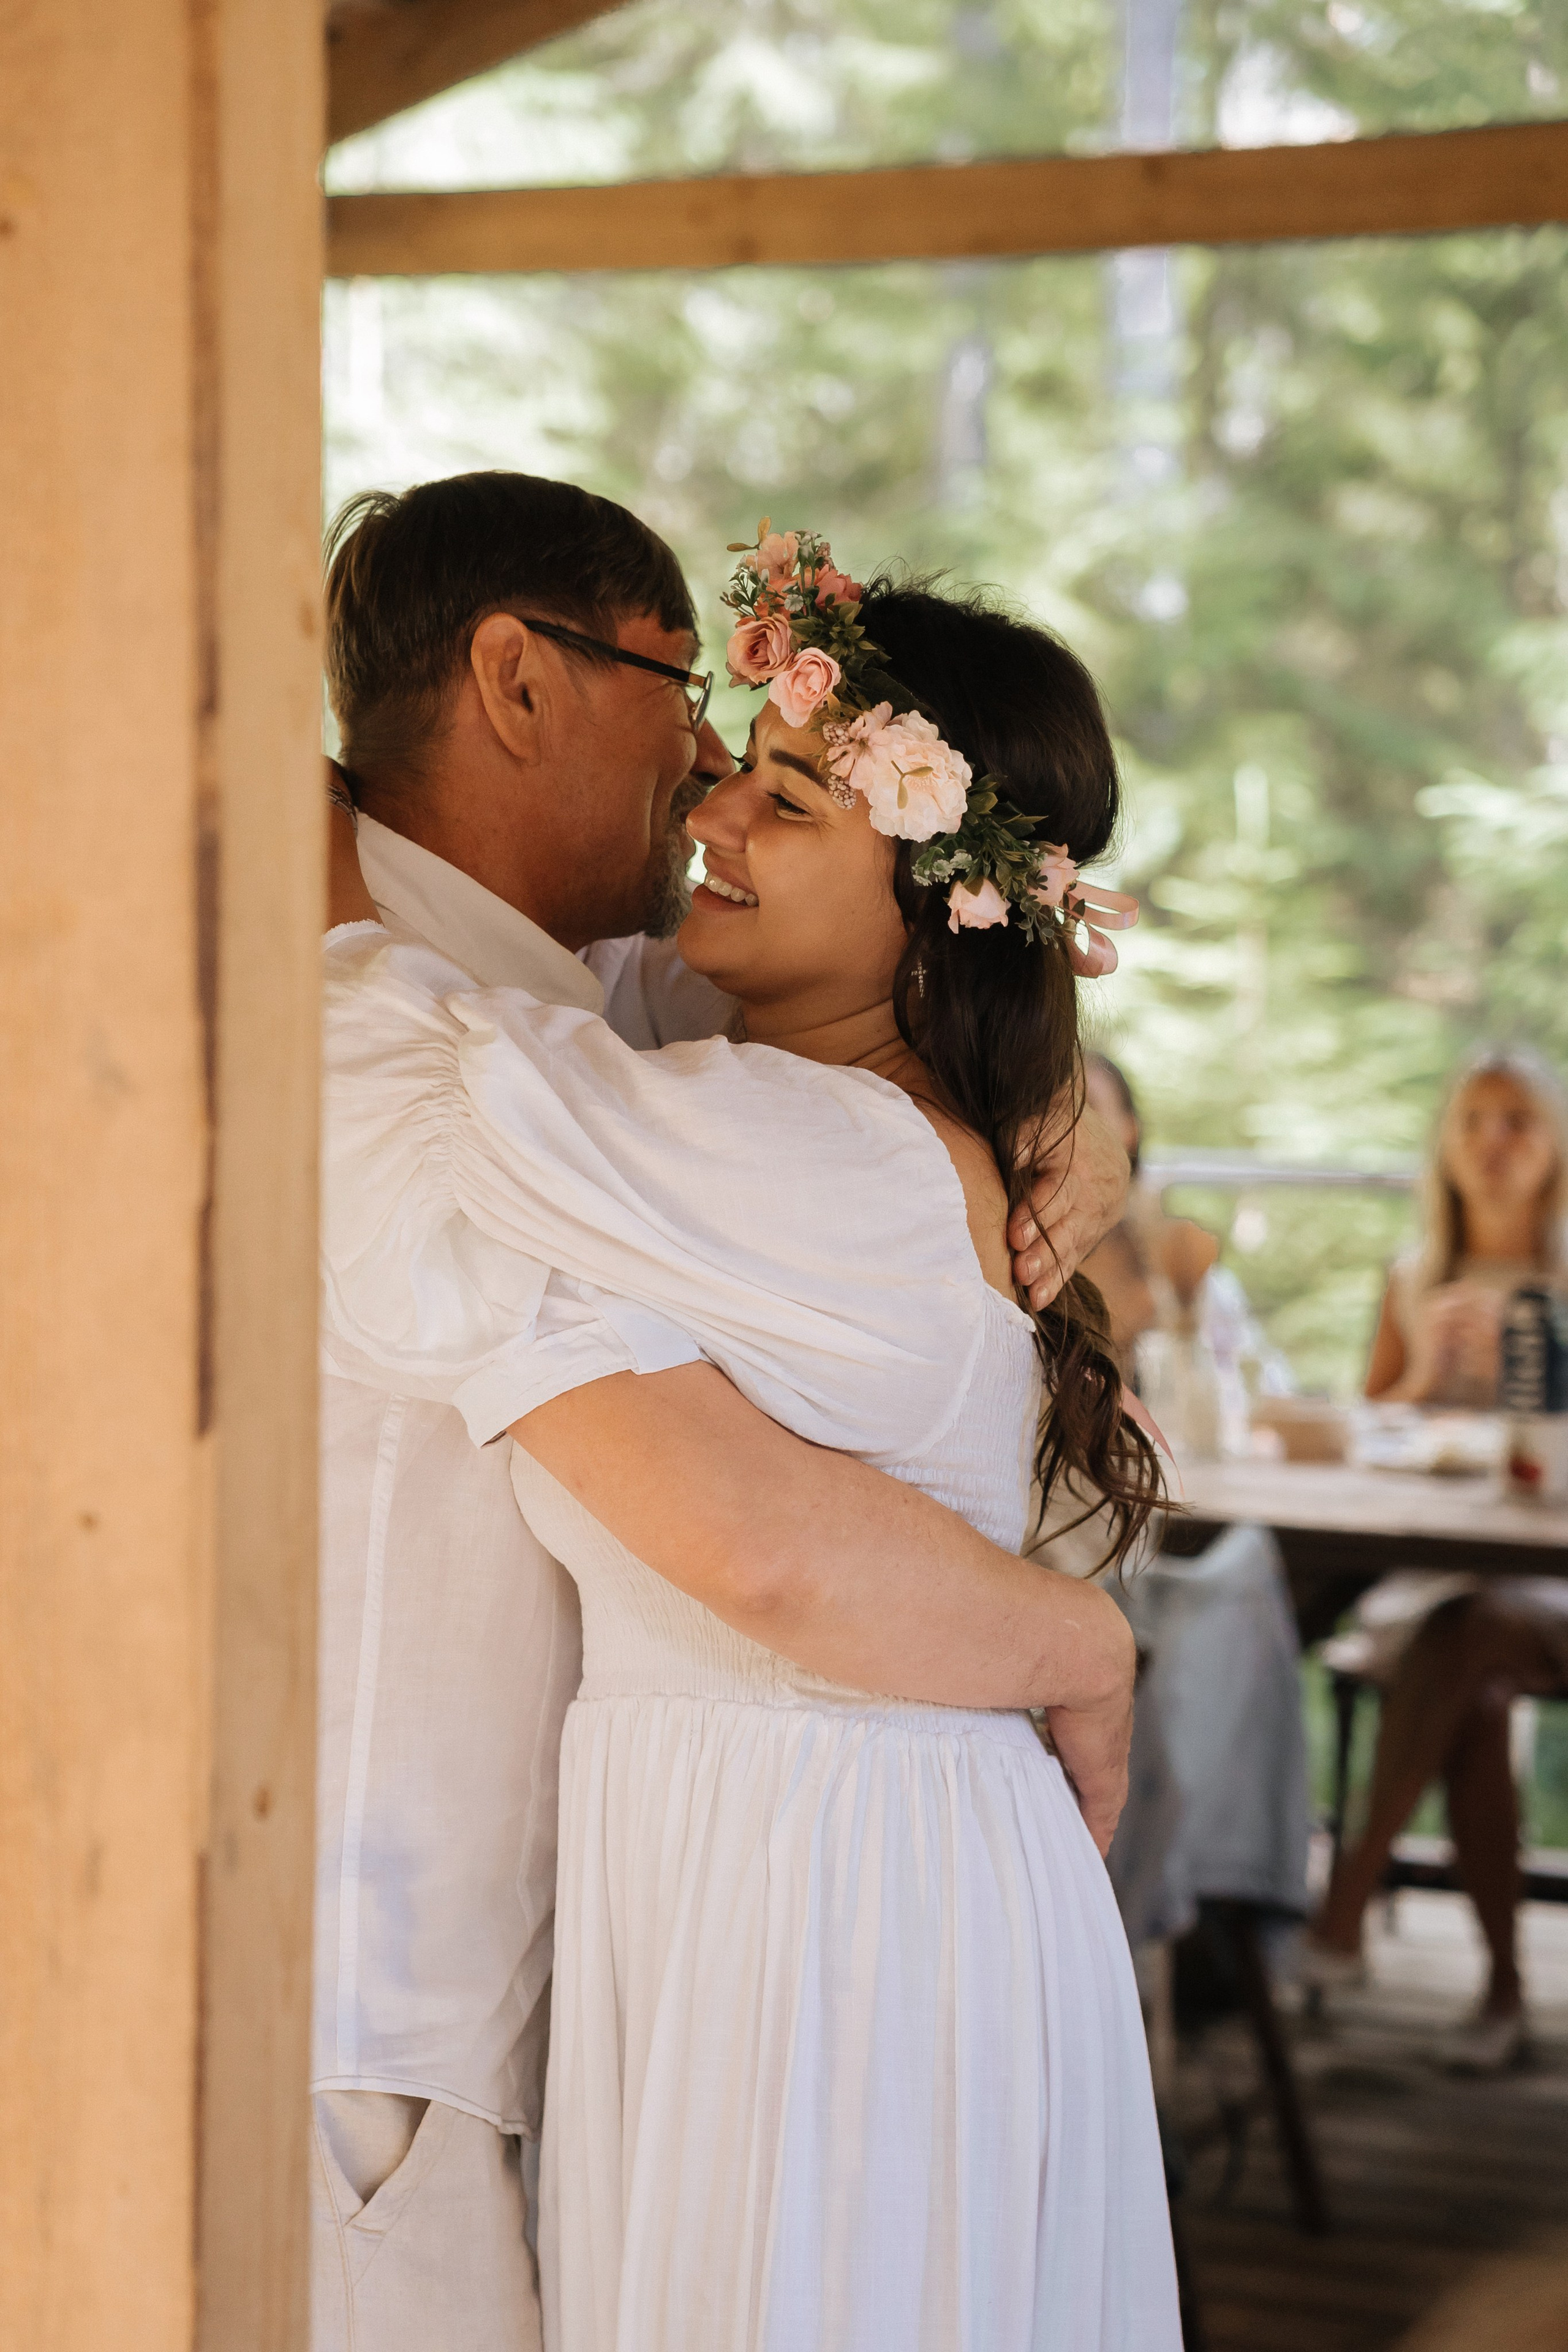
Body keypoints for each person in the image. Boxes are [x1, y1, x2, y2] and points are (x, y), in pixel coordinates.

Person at [321, 526, 1183, 2347]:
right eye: (699, 706)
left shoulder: (724, 1126)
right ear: (518, 678)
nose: (712, 783)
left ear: (936, 891)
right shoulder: (669, 1061)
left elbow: (398, 1083)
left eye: (783, 786)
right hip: (648, 1912)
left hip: (816, 1899)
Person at [1305, 1047, 1568, 2070]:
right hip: (1440, 1583)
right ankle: (1503, 1989)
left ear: (1553, 1146)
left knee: (1475, 1635)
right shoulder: (1416, 1277)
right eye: (1475, 1123)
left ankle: (1345, 1902)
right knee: (1473, 1669)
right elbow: (1371, 1428)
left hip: (1547, 1587)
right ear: (1447, 1148)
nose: (1495, 1145)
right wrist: (1427, 1373)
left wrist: (1539, 1378)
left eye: (1518, 1123)